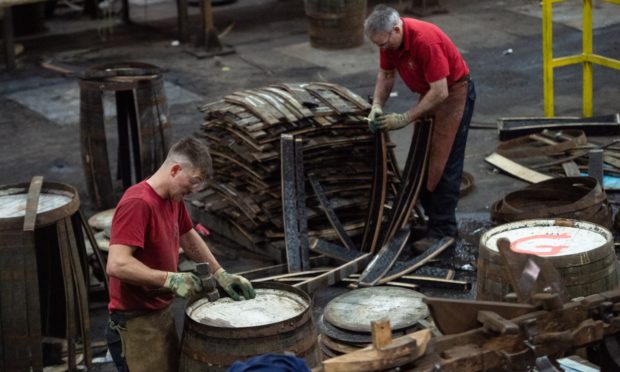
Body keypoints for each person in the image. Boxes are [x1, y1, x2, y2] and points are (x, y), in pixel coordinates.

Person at [104, 137, 256, 372]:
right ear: (175, 169)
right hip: (134, 323)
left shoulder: (173, 198)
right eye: (194, 181)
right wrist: (170, 279)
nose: (194, 190)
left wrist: (220, 273)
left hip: (159, 313)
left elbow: (188, 234)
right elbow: (117, 265)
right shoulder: (138, 203)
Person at [364, 4, 476, 252]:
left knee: (443, 164)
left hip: (453, 94)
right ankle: (432, 224)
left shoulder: (426, 41)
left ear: (395, 30)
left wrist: (404, 118)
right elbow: (386, 75)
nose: (382, 49)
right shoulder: (389, 41)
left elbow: (441, 91)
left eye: (383, 44)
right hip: (431, 94)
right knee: (422, 160)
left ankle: (444, 233)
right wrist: (376, 106)